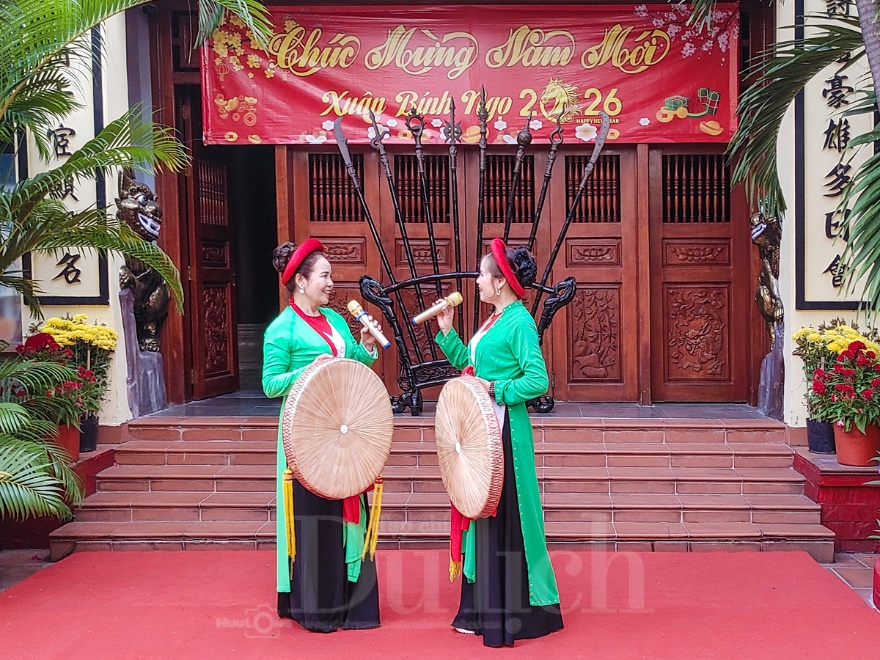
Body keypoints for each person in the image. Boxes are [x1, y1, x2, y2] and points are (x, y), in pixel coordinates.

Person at [435, 238, 563, 647]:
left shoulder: (519, 321)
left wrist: (496, 389)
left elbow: (538, 380)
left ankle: (514, 613)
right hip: (482, 430)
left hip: (506, 431)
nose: (476, 280)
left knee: (504, 516)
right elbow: (471, 366)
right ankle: (481, 609)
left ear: (500, 282)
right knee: (482, 513)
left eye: (481, 274)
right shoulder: (494, 320)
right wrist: (448, 333)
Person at [262, 238, 383, 632]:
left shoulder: (333, 320)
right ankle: (317, 608)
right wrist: (306, 370)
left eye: (330, 275)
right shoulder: (281, 329)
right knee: (314, 515)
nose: (332, 282)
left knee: (346, 508)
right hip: (305, 436)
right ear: (301, 281)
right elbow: (269, 384)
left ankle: (352, 605)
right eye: (324, 275)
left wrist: (364, 347)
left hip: (339, 430)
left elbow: (347, 363)